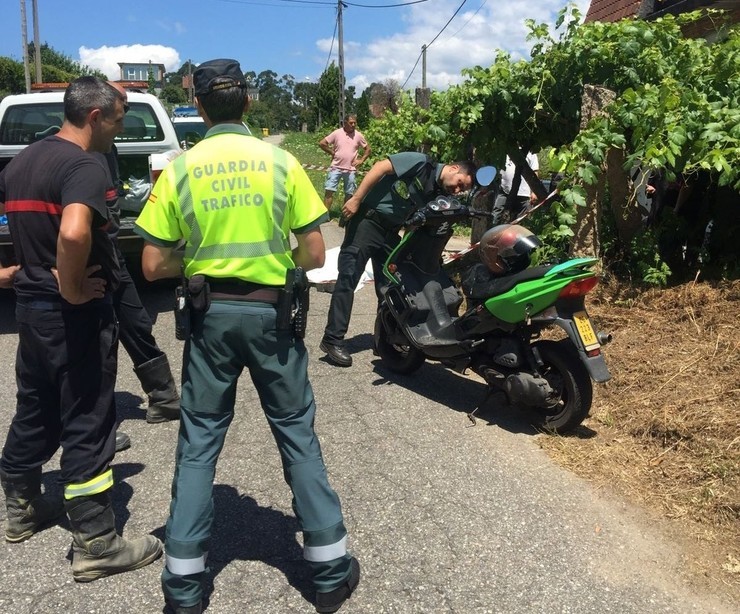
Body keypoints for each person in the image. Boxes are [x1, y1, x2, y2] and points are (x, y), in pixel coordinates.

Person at [134, 58, 359, 614]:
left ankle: (184, 587)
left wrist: (199, 263)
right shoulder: (282, 162)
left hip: (210, 321)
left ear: (202, 106)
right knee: (295, 432)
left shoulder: (181, 170)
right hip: (272, 320)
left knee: (199, 441)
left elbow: (152, 263)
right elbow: (310, 253)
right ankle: (329, 572)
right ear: (250, 103)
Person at [0, 77, 162, 579]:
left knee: (36, 407)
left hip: (31, 312)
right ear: (95, 117)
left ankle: (21, 510)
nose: (119, 129)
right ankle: (96, 541)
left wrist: (17, 273)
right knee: (89, 418)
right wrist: (72, 289)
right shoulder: (84, 165)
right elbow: (73, 232)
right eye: (118, 119)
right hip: (73, 315)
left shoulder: (23, 161)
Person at [319, 153, 477, 367]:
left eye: (462, 190)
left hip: (391, 233)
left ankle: (383, 340)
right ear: (454, 168)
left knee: (390, 288)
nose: (457, 190)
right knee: (349, 278)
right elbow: (380, 167)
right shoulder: (420, 162)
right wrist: (356, 199)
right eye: (460, 184)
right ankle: (332, 340)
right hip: (368, 221)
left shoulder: (438, 193)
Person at [101, 83, 181, 430]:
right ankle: (95, 427)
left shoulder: (107, 148)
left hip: (110, 252)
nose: (125, 117)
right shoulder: (76, 155)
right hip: (84, 256)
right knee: (95, 338)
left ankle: (163, 398)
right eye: (123, 109)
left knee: (135, 321)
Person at [319, 114, 371, 212]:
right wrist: (331, 152)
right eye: (351, 123)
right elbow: (322, 143)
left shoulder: (358, 135)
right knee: (329, 190)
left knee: (349, 193)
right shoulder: (337, 133)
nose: (353, 125)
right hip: (336, 167)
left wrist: (361, 160)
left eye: (355, 123)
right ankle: (325, 215)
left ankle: (345, 216)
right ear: (345, 123)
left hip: (350, 169)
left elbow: (368, 149)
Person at [492, 152, 539, 225]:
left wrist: (534, 191)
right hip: (505, 192)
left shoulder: (531, 153)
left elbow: (535, 172)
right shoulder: (505, 149)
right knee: (495, 218)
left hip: (524, 194)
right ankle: (494, 235)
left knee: (522, 223)